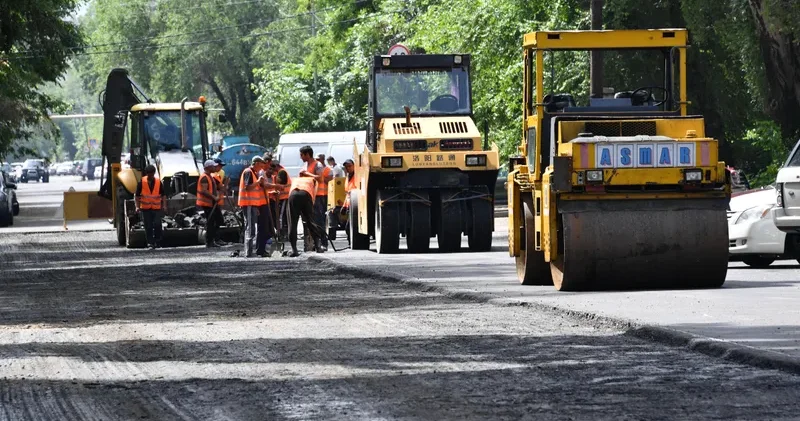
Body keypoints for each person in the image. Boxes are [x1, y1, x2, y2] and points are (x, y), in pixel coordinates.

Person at [239, 156, 280, 257]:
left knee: (252, 227)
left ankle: (250, 251)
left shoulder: (254, 173)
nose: (262, 167)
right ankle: (248, 252)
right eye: (261, 165)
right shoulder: (248, 172)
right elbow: (247, 187)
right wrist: (258, 182)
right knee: (250, 227)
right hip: (248, 203)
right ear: (256, 163)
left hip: (253, 204)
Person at [287, 174, 323, 257]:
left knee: (292, 222)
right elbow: (313, 196)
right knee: (310, 221)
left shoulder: (295, 179)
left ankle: (294, 250)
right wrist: (309, 212)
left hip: (293, 195)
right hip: (306, 195)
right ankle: (318, 247)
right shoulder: (313, 180)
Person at [135, 164, 167, 249]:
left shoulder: (158, 182)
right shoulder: (141, 182)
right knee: (148, 226)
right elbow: (137, 196)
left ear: (154, 173)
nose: (151, 176)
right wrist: (137, 207)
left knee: (157, 224)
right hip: (145, 209)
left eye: (152, 174)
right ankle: (150, 243)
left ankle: (158, 242)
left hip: (156, 208)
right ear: (147, 173)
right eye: (149, 174)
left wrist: (164, 205)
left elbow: (163, 195)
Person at [197, 159, 225, 248]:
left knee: (218, 220)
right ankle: (209, 242)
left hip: (212, 203)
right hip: (206, 204)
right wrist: (214, 197)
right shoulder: (204, 177)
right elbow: (204, 191)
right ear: (208, 167)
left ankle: (214, 239)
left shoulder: (210, 176)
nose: (215, 167)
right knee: (211, 222)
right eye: (213, 166)